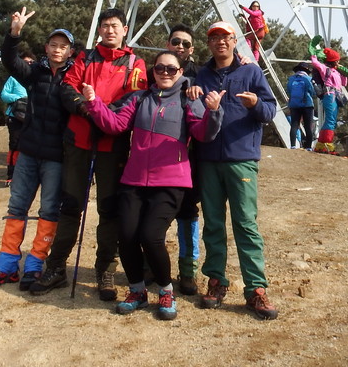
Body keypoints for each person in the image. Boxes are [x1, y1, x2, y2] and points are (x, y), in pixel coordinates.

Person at [80, 51, 223, 320]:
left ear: (181, 72)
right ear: (153, 71)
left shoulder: (188, 99)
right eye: (160, 68)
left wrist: (213, 112)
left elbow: (203, 133)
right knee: (127, 235)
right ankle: (137, 290)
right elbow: (116, 125)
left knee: (151, 236)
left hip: (171, 182)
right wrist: (94, 103)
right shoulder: (140, 98)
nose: (165, 73)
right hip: (134, 180)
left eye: (171, 69)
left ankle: (166, 290)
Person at [30, 8, 147, 300]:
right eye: (105, 26)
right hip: (79, 143)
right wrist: (86, 108)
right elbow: (68, 88)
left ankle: (105, 270)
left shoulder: (135, 63)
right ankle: (56, 267)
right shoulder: (85, 57)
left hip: (112, 145)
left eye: (115, 26)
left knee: (109, 210)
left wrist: (104, 116)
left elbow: (134, 98)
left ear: (124, 31)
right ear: (101, 30)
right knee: (70, 206)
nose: (110, 31)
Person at [0, 8, 75, 291]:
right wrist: (14, 34)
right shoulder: (35, 73)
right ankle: (6, 265)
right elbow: (10, 61)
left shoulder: (75, 78)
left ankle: (34, 265)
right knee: (17, 207)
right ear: (46, 48)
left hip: (56, 157)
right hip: (29, 153)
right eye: (54, 45)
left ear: (70, 51)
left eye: (63, 46)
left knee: (48, 210)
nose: (58, 50)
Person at [194, 21, 279, 320]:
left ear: (234, 41)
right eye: (214, 38)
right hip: (208, 160)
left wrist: (256, 103)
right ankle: (216, 280)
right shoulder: (201, 75)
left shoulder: (251, 72)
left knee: (245, 224)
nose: (220, 42)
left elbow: (270, 111)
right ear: (208, 44)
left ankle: (255, 289)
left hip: (241, 159)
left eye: (225, 37)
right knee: (213, 224)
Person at [146, 24, 202, 296]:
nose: (180, 46)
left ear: (191, 50)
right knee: (153, 214)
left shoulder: (201, 77)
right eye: (175, 41)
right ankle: (150, 265)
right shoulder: (153, 75)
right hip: (156, 160)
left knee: (188, 215)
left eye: (185, 44)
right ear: (168, 44)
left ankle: (188, 270)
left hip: (189, 161)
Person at [0, 51, 34, 186]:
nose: (28, 64)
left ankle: (27, 174)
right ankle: (11, 175)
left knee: (29, 146)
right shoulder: (13, 78)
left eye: (31, 62)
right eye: (25, 62)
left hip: (32, 117)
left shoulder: (35, 78)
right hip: (15, 117)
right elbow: (4, 95)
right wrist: (19, 99)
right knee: (15, 145)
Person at [310, 47, 347, 154]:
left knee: (331, 121)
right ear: (334, 61)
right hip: (330, 95)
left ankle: (320, 145)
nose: (339, 62)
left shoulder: (336, 72)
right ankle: (328, 144)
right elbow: (316, 63)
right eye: (338, 60)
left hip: (337, 95)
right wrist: (314, 55)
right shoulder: (326, 69)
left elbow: (343, 84)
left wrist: (344, 73)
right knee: (330, 120)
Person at [286, 63, 316, 150]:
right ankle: (308, 147)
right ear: (306, 71)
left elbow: (288, 90)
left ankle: (292, 145)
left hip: (294, 104)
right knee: (308, 126)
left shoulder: (291, 79)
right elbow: (313, 92)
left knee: (294, 125)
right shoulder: (308, 79)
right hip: (307, 105)